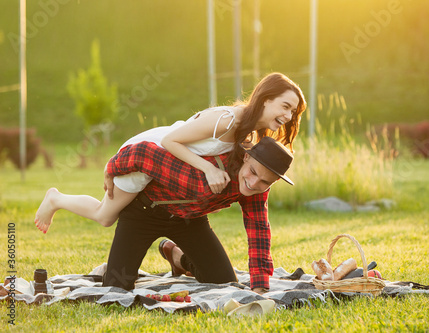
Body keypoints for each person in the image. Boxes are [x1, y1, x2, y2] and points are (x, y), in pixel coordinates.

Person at [34, 72, 306, 233]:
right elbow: (170, 141)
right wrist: (209, 170)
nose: (287, 115)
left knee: (110, 214)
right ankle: (56, 199)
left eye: (292, 111)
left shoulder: (250, 133)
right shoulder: (227, 121)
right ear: (266, 99)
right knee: (105, 216)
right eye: (284, 106)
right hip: (150, 152)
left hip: (168, 165)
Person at [102, 137, 294, 294]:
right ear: (246, 158)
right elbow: (143, 153)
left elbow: (258, 230)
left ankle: (178, 259)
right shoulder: (210, 166)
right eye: (252, 172)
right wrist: (111, 168)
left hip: (190, 220)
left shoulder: (258, 190)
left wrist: (259, 286)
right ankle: (173, 257)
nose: (253, 183)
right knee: (115, 287)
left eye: (264, 181)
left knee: (223, 283)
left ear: (274, 181)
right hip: (144, 213)